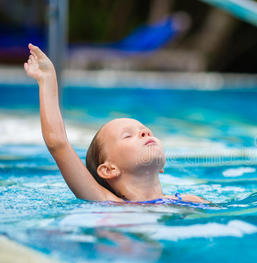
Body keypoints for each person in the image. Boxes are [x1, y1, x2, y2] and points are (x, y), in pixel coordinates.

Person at [24, 43, 209, 204]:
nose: (145, 133)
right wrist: (47, 80)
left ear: (162, 165)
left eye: (146, 131)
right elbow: (58, 144)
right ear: (108, 169)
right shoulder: (108, 202)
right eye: (128, 136)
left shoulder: (189, 200)